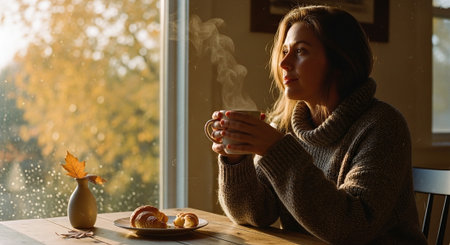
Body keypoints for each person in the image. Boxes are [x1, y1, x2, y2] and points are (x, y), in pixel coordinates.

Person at [207, 5, 427, 245]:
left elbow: (352, 227)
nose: (284, 63)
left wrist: (277, 151)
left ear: (339, 61)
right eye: (284, 51)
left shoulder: (383, 125)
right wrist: (236, 162)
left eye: (300, 51)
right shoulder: (285, 126)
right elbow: (255, 214)